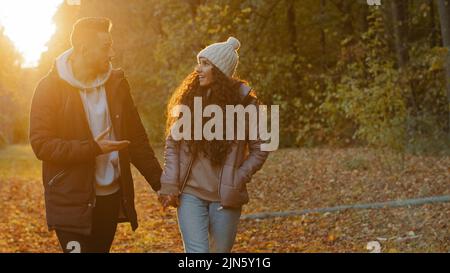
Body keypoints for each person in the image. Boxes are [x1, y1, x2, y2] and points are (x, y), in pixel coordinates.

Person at [29, 17, 162, 253]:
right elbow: (42, 145)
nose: (112, 52)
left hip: (109, 199)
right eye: (105, 46)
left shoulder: (117, 84)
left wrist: (160, 184)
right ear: (83, 48)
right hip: (70, 201)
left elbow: (136, 140)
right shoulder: (49, 88)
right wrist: (92, 148)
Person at [158, 37, 269, 253]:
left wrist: (239, 176)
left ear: (219, 70)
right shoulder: (190, 99)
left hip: (224, 199)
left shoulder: (246, 104)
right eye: (199, 62)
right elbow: (173, 145)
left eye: (205, 64)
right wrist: (170, 183)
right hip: (190, 195)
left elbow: (261, 148)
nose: (198, 69)